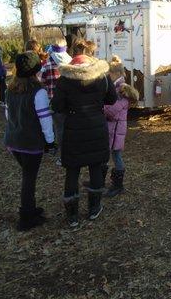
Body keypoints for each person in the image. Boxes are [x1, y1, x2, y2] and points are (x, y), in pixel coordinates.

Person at [51, 41, 117, 227]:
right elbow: (112, 98)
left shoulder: (65, 79)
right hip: (96, 125)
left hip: (73, 127)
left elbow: (56, 106)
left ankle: (72, 216)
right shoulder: (101, 76)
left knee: (72, 170)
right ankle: (94, 209)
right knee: (96, 166)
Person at [4, 52, 56, 231]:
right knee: (29, 178)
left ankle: (31, 209)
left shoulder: (9, 90)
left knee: (28, 175)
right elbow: (45, 119)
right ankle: (26, 217)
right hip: (30, 143)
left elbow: (8, 115)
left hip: (13, 140)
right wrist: (50, 141)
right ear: (36, 70)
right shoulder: (38, 92)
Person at [103, 56, 139, 197]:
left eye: (109, 73)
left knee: (116, 156)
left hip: (116, 129)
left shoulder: (121, 90)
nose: (107, 76)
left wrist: (99, 107)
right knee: (107, 155)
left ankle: (118, 185)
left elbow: (112, 111)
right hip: (113, 128)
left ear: (116, 74)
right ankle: (100, 182)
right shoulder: (115, 88)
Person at [41, 38, 72, 166]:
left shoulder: (46, 65)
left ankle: (62, 157)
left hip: (54, 103)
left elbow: (41, 83)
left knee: (59, 130)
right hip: (71, 103)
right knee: (70, 129)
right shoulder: (71, 63)